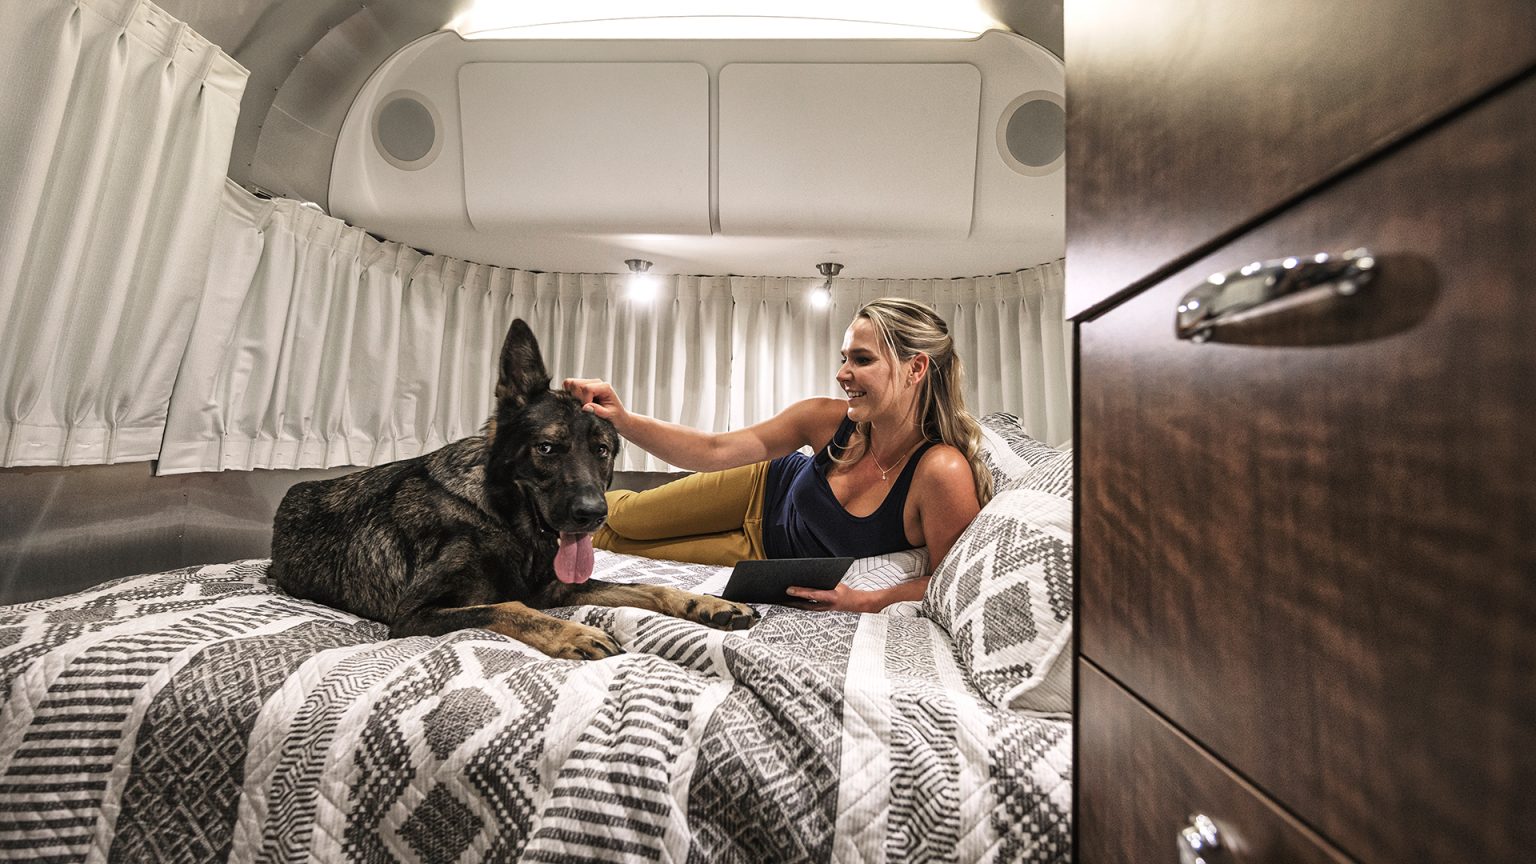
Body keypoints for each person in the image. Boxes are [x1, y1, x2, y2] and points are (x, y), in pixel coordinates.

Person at [563, 298, 993, 612]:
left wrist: (865, 599)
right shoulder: (824, 419)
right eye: (844, 358)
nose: (842, 374)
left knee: (616, 544)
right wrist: (622, 419)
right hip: (758, 490)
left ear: (916, 368)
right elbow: (712, 449)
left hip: (766, 558)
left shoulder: (940, 471)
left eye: (862, 360)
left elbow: (948, 579)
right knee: (625, 517)